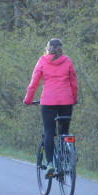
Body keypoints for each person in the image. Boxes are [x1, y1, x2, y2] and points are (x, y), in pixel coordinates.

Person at [23, 38, 79, 177]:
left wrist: (28, 100)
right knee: (64, 131)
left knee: (49, 132)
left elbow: (34, 83)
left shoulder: (42, 61)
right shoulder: (68, 61)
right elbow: (73, 83)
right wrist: (74, 99)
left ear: (48, 48)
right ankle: (66, 159)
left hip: (48, 102)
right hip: (66, 101)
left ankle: (50, 164)